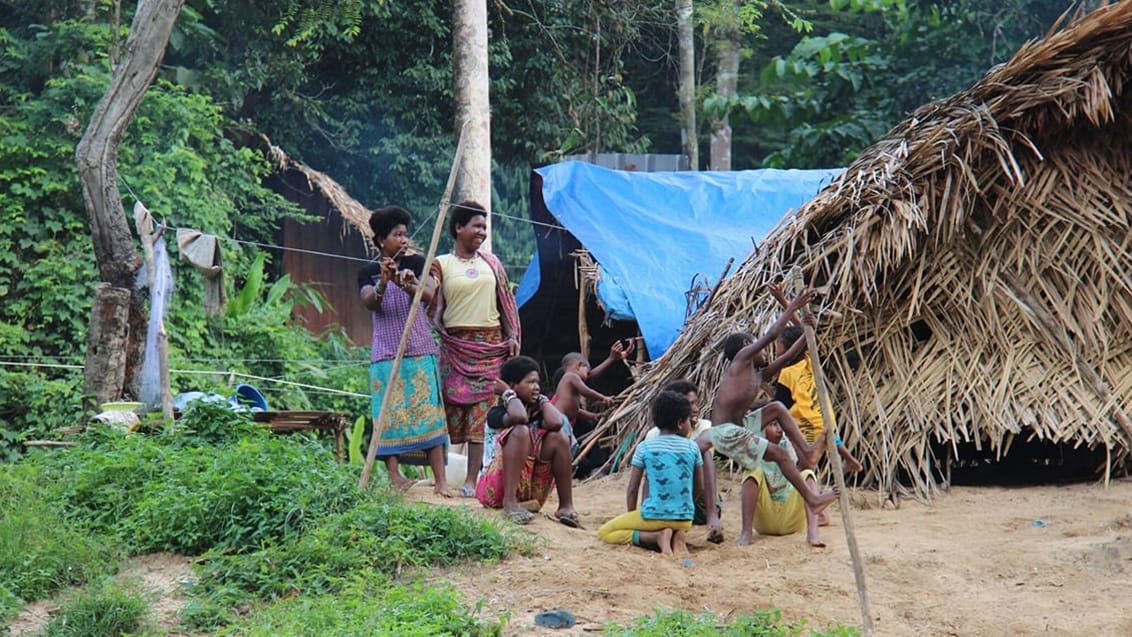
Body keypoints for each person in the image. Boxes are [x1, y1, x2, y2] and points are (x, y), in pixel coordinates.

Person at [696, 288, 838, 543]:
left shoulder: (759, 375)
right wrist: (792, 305)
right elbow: (772, 334)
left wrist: (808, 333)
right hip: (725, 430)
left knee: (777, 409)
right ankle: (813, 499)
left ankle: (807, 451)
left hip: (739, 426)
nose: (766, 352)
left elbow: (786, 357)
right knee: (781, 454)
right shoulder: (741, 360)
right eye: (759, 348)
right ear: (747, 346)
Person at [425, 200, 521, 497]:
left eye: (484, 227)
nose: (481, 232)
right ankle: (442, 477)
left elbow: (505, 301)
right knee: (450, 410)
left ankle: (471, 479)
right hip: (454, 347)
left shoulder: (491, 263)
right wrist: (412, 285)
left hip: (491, 347)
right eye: (476, 226)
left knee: (482, 414)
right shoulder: (441, 263)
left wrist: (512, 335)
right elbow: (429, 294)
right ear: (458, 227)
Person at [358, 206, 449, 496]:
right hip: (386, 352)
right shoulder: (369, 272)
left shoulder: (418, 262)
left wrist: (408, 285)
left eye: (405, 234)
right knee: (388, 413)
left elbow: (430, 295)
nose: (404, 239)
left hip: (419, 348)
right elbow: (370, 303)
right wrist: (385, 282)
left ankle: (441, 481)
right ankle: (394, 476)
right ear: (381, 240)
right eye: (397, 234)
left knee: (429, 413)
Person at [475, 356, 580, 527]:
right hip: (494, 491)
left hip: (530, 492)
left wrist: (543, 400)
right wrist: (508, 394)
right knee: (520, 431)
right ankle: (510, 502)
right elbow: (519, 417)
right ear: (513, 385)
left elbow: (557, 422)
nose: (537, 387)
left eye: (537, 383)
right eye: (530, 382)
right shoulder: (497, 412)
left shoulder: (537, 411)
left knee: (558, 437)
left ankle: (565, 506)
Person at [598, 390, 703, 555]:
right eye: (689, 420)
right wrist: (683, 507)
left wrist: (632, 514)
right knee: (677, 523)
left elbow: (633, 488)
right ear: (680, 423)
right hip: (685, 519)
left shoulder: (645, 448)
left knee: (604, 532)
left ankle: (655, 537)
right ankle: (678, 534)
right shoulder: (692, 447)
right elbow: (700, 486)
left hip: (653, 516)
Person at [773, 324, 864, 474]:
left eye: (778, 346)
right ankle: (849, 458)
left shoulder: (787, 373)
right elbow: (806, 335)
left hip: (806, 427)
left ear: (789, 348)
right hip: (826, 421)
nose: (776, 351)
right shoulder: (810, 361)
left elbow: (780, 405)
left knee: (804, 467)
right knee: (822, 428)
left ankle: (807, 491)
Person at [736, 410, 826, 547]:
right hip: (764, 521)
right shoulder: (752, 446)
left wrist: (794, 438)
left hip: (790, 519)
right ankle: (746, 532)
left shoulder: (786, 445)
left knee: (808, 474)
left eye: (780, 425)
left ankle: (813, 533)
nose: (779, 429)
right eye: (773, 424)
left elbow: (805, 465)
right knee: (752, 472)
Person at [641, 380, 719, 526]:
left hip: (696, 501)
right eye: (690, 404)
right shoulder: (653, 435)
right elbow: (649, 478)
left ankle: (712, 514)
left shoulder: (705, 427)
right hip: (664, 499)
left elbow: (699, 469)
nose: (696, 409)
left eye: (697, 403)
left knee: (705, 454)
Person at [550, 342, 630, 451]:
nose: (588, 376)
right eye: (587, 372)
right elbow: (586, 391)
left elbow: (577, 412)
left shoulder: (569, 395)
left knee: (571, 450)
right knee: (565, 449)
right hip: (561, 421)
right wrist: (603, 397)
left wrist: (593, 416)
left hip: (565, 423)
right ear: (579, 366)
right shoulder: (571, 377)